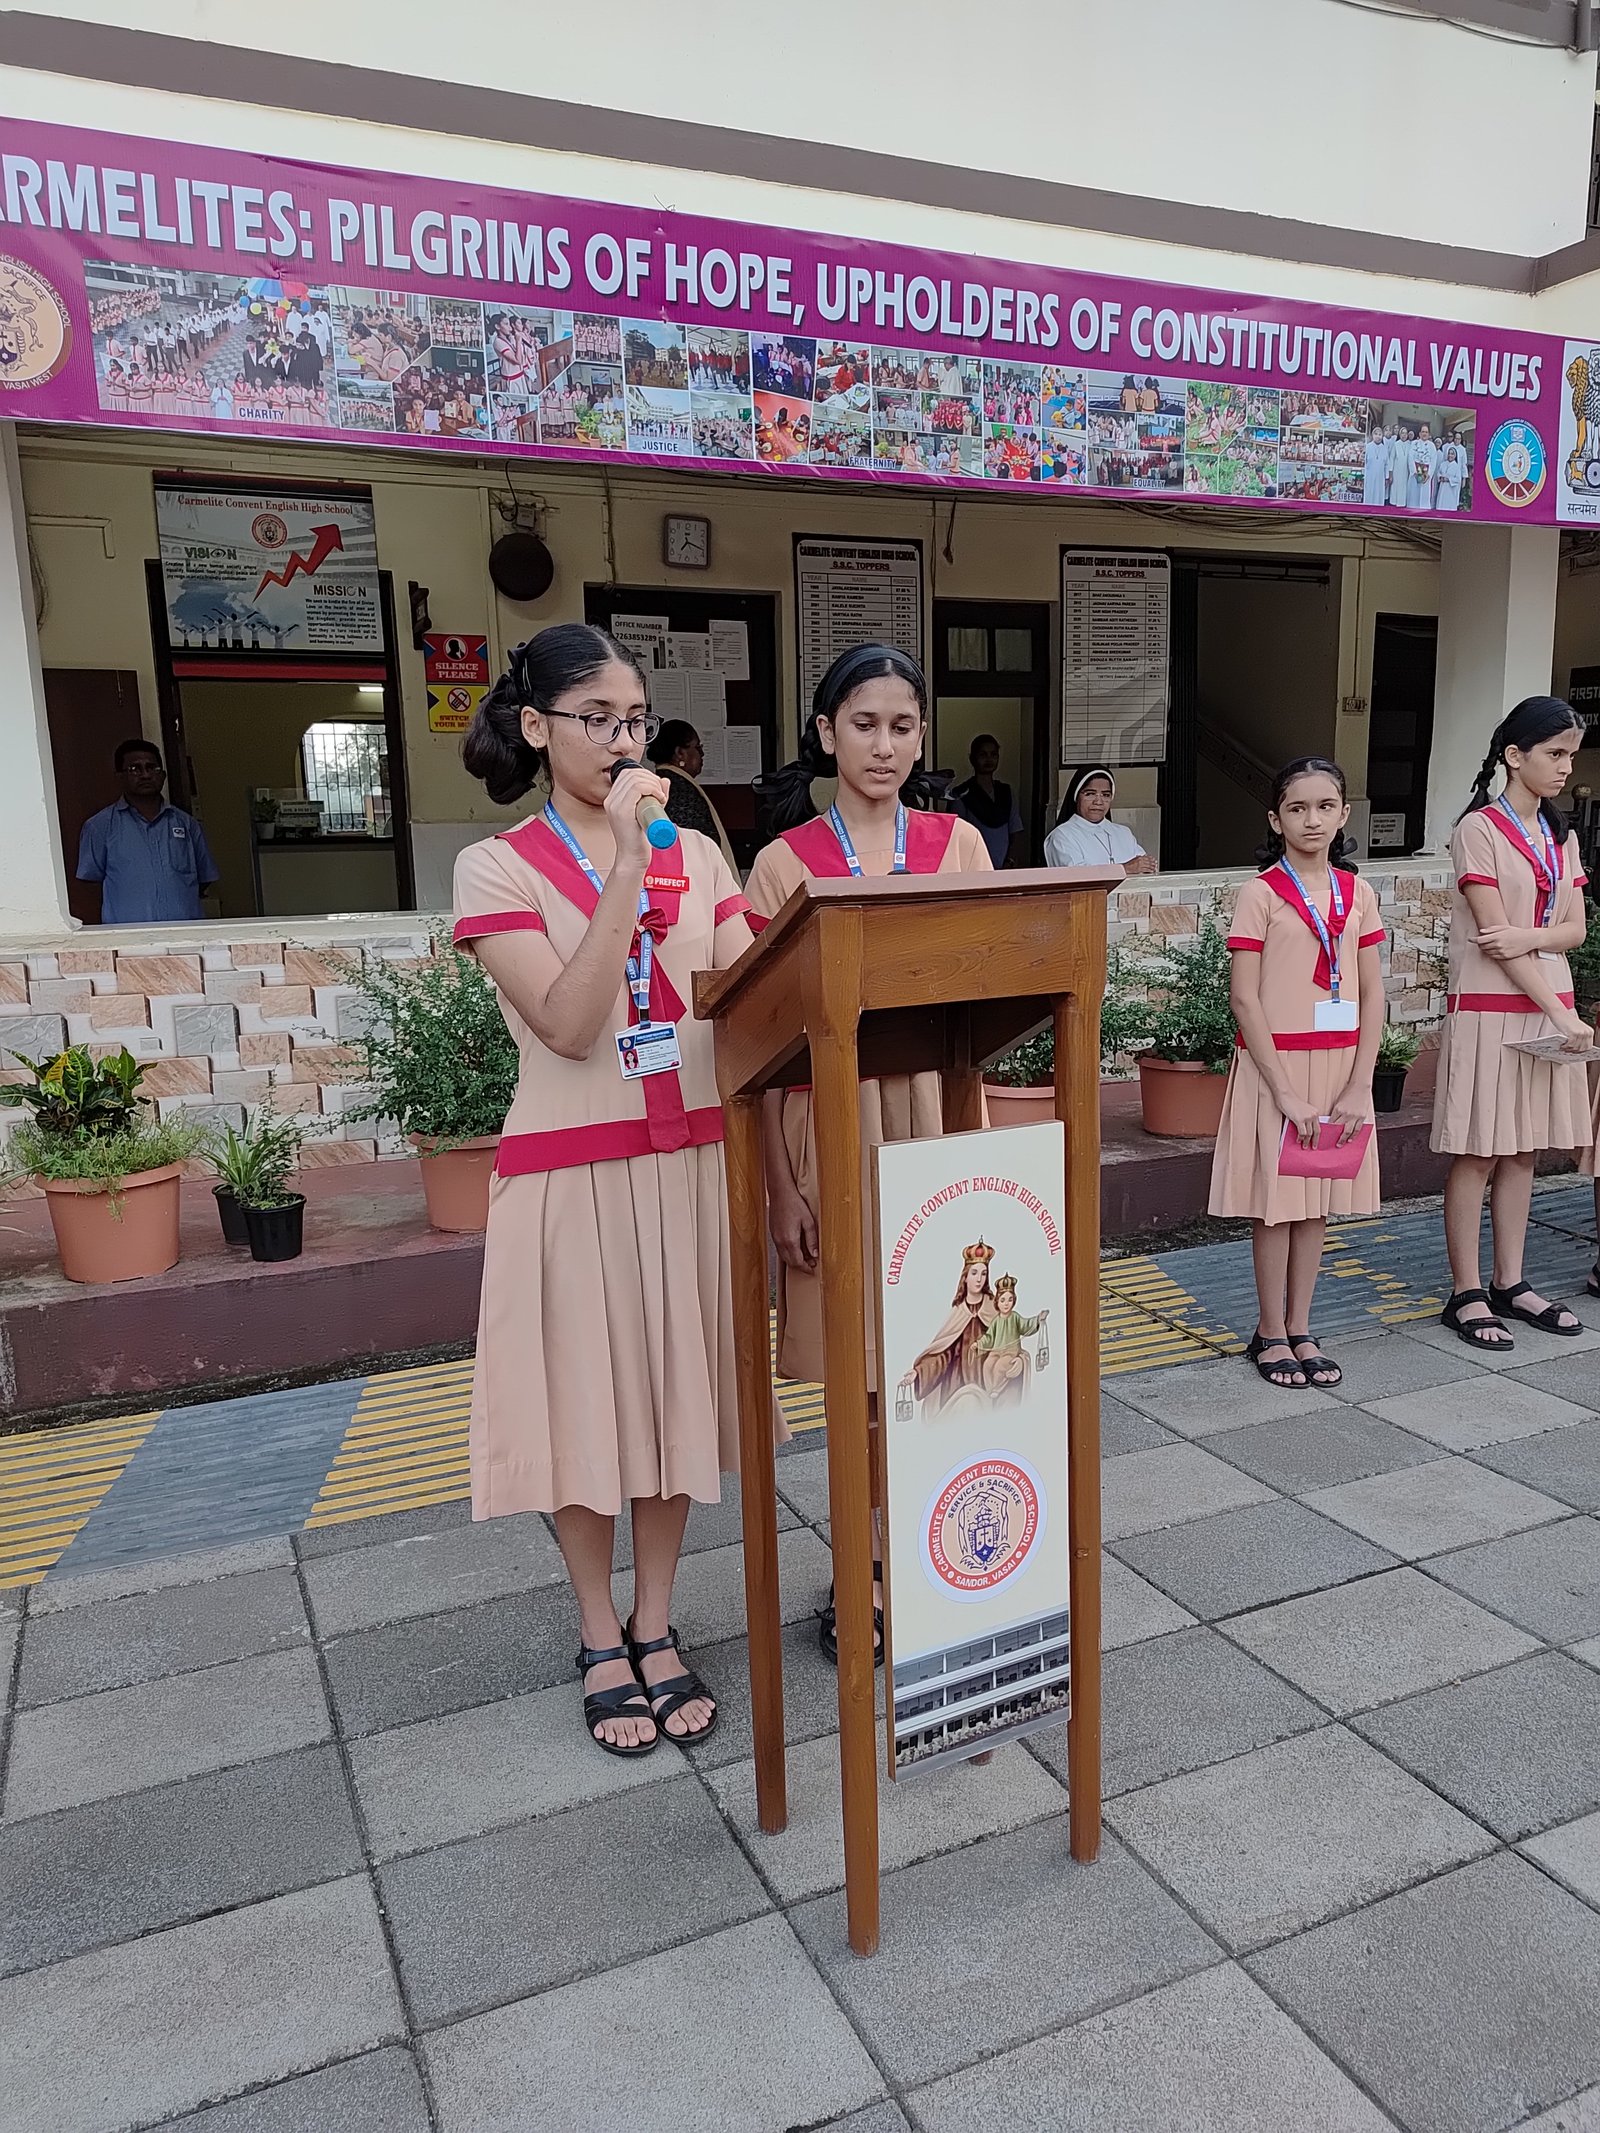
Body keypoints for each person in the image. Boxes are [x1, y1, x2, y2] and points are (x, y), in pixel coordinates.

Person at [452, 623, 765, 1756]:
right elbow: (571, 1023)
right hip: (568, 1175)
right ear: (537, 728)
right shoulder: (495, 866)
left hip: (686, 1165)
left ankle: (655, 1618)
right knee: (583, 1407)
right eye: (597, 719)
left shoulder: (702, 856)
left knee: (675, 1400)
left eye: (635, 719)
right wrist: (630, 866)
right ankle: (598, 1633)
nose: (624, 741)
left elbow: (754, 996)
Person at [748, 644, 991, 1662]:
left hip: (936, 1115)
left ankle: (932, 1556)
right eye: (862, 724)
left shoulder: (959, 844)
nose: (883, 745)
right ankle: (862, 1569)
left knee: (942, 1357)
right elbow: (759, 1043)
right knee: (857, 1369)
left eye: (901, 725)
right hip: (827, 1123)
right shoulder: (783, 862)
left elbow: (995, 987)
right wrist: (783, 1188)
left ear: (921, 736)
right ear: (825, 733)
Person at [1209, 757, 1385, 1389]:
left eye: (1324, 807)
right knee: (1276, 1205)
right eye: (1297, 808)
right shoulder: (1259, 893)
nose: (1312, 820)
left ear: (1343, 814)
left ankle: (1302, 1326)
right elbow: (1244, 998)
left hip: (1339, 1068)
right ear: (1275, 818)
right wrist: (1283, 1091)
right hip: (1274, 1067)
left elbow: (1373, 992)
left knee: (1318, 1204)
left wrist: (1361, 1083)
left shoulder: (1358, 893)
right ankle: (1270, 1331)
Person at [1431, 697, 1593, 1350]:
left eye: (1571, 755)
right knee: (1480, 1149)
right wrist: (1559, 1008)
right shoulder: (1478, 829)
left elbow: (1574, 930)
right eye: (1555, 753)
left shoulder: (1561, 835)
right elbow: (1491, 939)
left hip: (1546, 1002)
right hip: (1495, 1008)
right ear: (1514, 755)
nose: (1566, 767)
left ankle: (1511, 1281)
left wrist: (1531, 938)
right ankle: (1466, 1291)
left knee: (1523, 1147)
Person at [76, 738, 219, 924]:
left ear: (163, 775)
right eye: (135, 769)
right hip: (128, 935)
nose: (145, 775)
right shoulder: (99, 826)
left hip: (185, 933)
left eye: (152, 768)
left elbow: (204, 878)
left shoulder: (188, 824)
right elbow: (91, 883)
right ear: (119, 776)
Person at [646, 718, 738, 870]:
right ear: (680, 753)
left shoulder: (664, 781)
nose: (702, 754)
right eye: (698, 747)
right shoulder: (678, 788)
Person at [1044, 766, 1156, 873]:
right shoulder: (1062, 836)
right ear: (1076, 797)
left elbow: (1148, 870)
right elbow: (1076, 876)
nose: (1098, 802)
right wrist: (1124, 869)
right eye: (1090, 794)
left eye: (1105, 795)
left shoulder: (1124, 833)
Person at [950, 733, 1025, 867]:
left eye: (993, 754)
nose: (989, 759)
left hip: (1005, 868)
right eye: (983, 755)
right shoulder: (961, 794)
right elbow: (957, 838)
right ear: (972, 759)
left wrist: (1010, 861)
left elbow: (1016, 832)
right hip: (974, 868)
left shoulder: (1006, 792)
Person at [1363, 422, 1390, 508]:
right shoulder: (1368, 447)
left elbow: (1387, 464)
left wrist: (1387, 477)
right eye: (1376, 434)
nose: (1378, 436)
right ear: (1372, 435)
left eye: (1380, 434)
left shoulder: (1384, 448)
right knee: (1369, 494)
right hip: (1369, 476)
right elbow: (1364, 463)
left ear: (1382, 436)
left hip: (1380, 477)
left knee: (1379, 495)